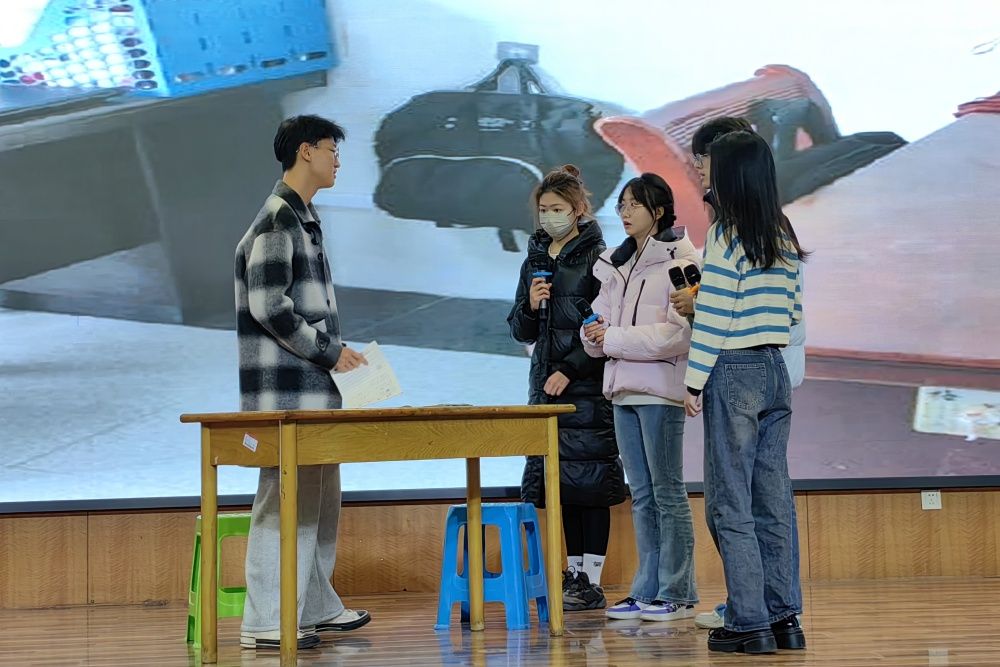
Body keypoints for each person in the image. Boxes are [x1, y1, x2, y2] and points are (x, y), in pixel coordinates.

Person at [235, 115, 372, 650]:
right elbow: (269, 306)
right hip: (284, 392)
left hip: (311, 389)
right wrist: (331, 351)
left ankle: (314, 606)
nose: (338, 160)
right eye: (332, 150)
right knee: (284, 499)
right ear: (306, 151)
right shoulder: (277, 220)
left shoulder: (304, 218)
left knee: (318, 496)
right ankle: (267, 620)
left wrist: (336, 356)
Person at [676, 117, 806, 633]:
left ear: (729, 176)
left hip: (733, 369)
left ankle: (748, 621)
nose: (702, 172)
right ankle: (783, 617)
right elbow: (793, 312)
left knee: (730, 502)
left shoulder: (724, 234)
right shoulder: (782, 232)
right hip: (774, 367)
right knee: (773, 500)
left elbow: (712, 317)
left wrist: (693, 380)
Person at [581, 173, 700, 622]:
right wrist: (593, 333)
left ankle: (677, 592)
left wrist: (611, 337)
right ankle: (645, 590)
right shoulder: (615, 263)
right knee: (644, 495)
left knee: (667, 492)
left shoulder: (682, 260)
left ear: (659, 210)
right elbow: (597, 323)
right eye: (622, 205)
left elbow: (677, 334)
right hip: (622, 390)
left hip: (662, 392)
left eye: (634, 204)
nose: (625, 212)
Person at [508, 165, 626, 612]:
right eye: (543, 209)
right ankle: (573, 573)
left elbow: (603, 326)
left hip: (586, 387)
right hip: (545, 387)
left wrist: (571, 370)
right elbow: (520, 329)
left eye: (556, 208)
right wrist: (530, 303)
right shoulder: (534, 260)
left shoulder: (600, 258)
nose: (549, 216)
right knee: (562, 484)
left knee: (589, 481)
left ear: (578, 209)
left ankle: (591, 580)